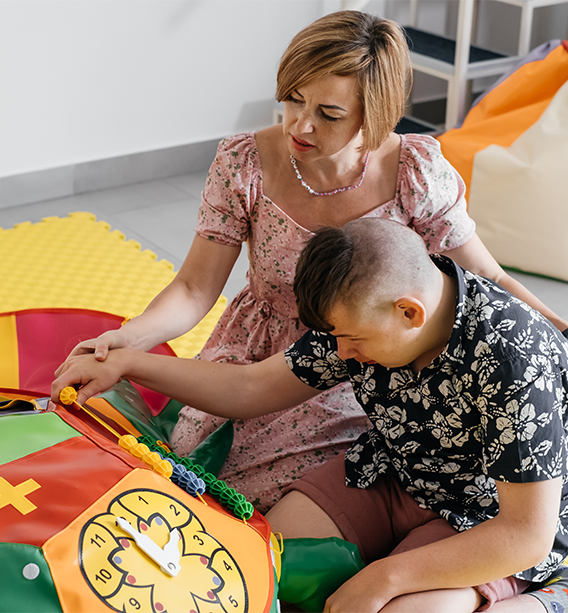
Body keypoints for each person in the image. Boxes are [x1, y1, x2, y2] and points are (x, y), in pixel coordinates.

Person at [62, 10, 568, 512]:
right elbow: (195, 288)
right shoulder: (244, 163)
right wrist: (129, 340)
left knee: (302, 500)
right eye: (293, 100)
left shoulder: (414, 173)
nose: (300, 126)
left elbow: (487, 275)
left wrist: (553, 332)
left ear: (375, 116)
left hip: (365, 357)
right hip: (260, 351)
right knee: (194, 475)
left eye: (329, 114)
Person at [53, 218, 568, 613]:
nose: (341, 354)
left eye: (353, 341)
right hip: (391, 472)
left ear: (409, 313)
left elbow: (525, 532)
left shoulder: (512, 356)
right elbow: (252, 386)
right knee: (251, 562)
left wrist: (383, 578)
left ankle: (547, 595)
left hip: (493, 516)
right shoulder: (363, 309)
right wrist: (127, 363)